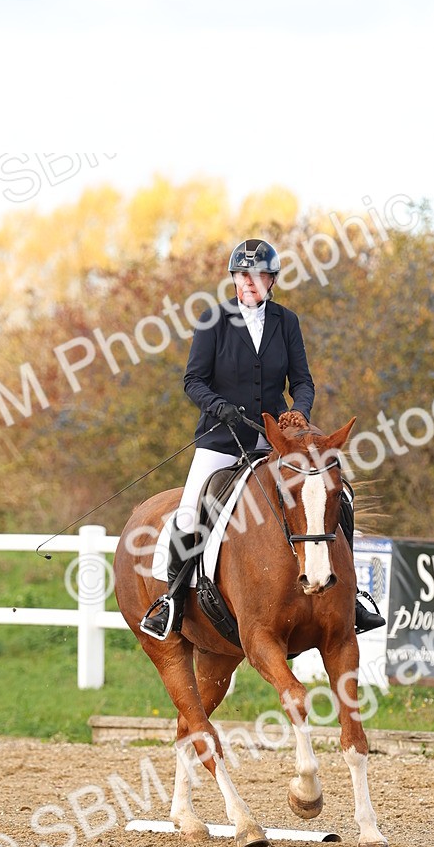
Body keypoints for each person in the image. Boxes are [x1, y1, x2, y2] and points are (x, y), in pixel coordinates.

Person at [140, 238, 383, 639]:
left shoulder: (286, 322)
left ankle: (351, 597)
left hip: (274, 444)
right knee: (189, 512)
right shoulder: (212, 320)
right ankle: (172, 600)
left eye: (259, 276)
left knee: (339, 495)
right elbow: (193, 381)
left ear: (271, 281)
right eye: (243, 275)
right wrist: (219, 406)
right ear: (235, 278)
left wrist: (299, 414)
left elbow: (302, 381)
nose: (250, 282)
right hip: (220, 440)